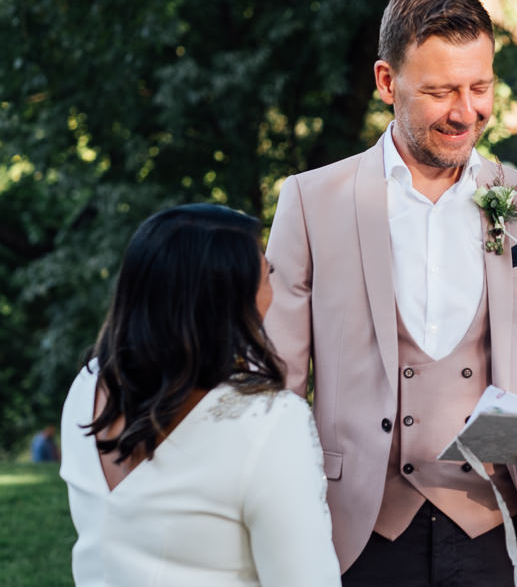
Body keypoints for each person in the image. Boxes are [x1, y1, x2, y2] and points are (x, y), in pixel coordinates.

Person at [265, 0, 517, 586]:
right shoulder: (312, 201)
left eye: (480, 88)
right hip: (357, 532)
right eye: (440, 91)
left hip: (495, 526)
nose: (466, 112)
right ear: (388, 82)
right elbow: (277, 384)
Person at [59, 204, 341, 587]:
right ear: (229, 301)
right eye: (266, 275)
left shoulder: (87, 387)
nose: (272, 291)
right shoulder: (269, 420)